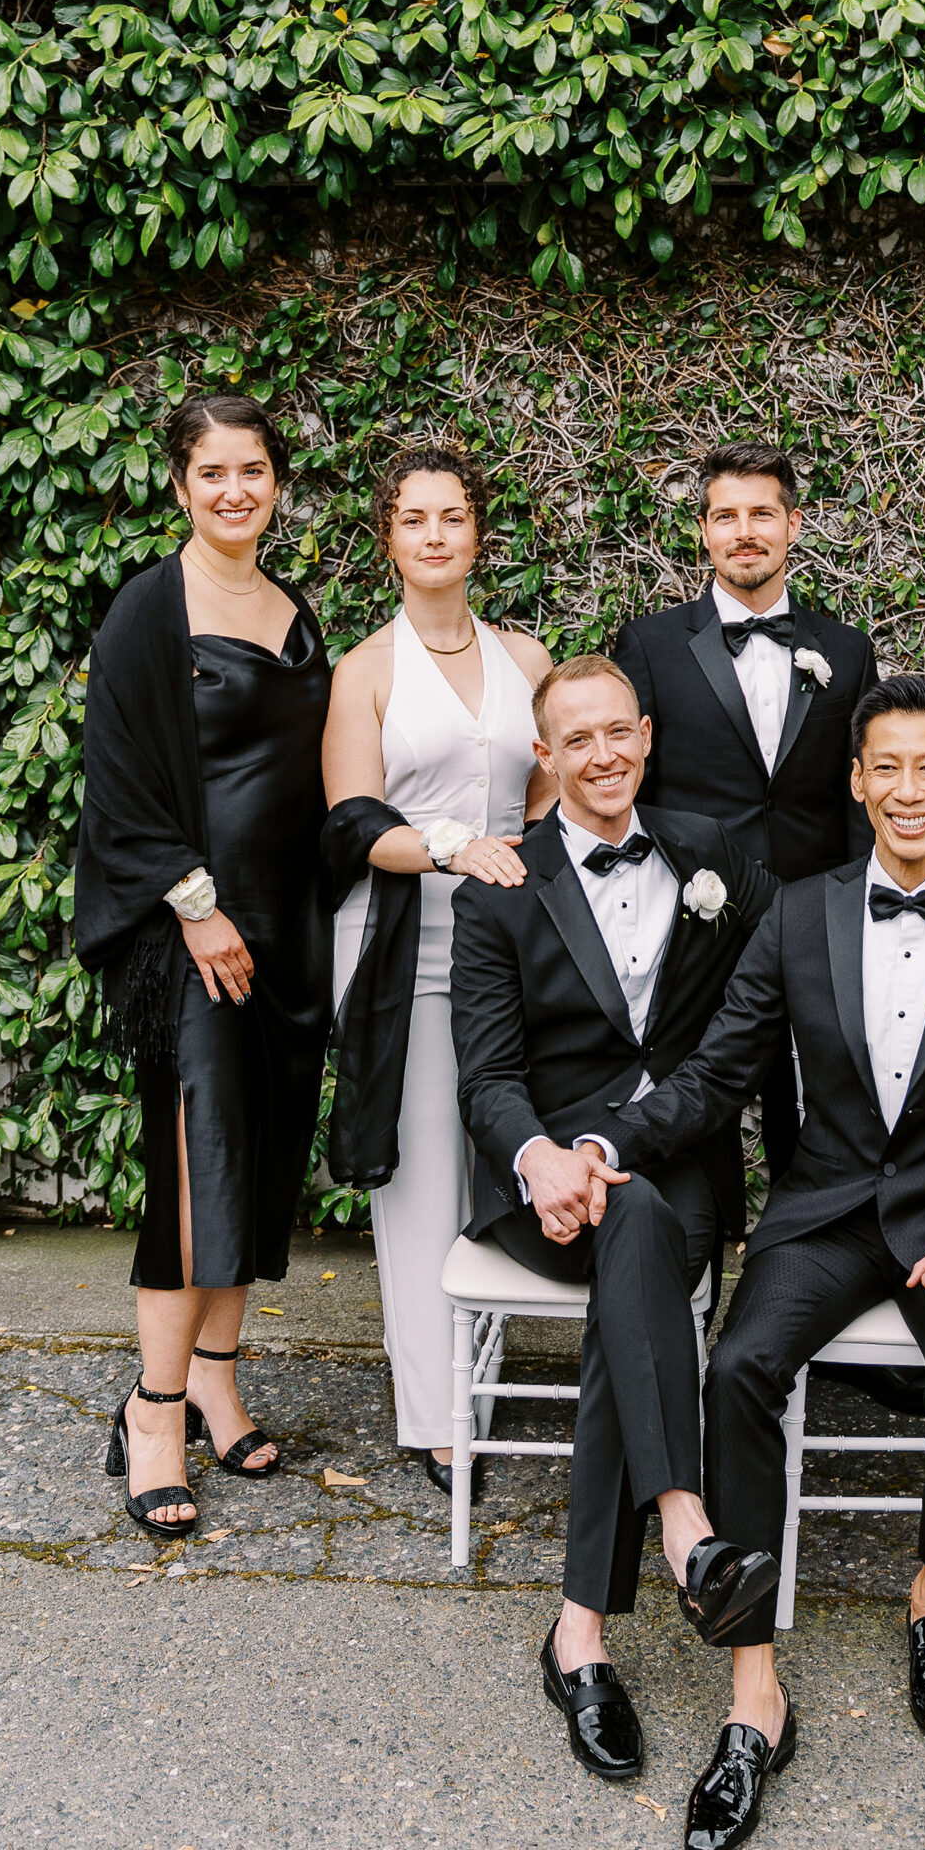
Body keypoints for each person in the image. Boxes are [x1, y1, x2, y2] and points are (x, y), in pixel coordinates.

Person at [600, 676, 925, 1850]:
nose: (909, 790)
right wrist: (609, 1140)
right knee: (736, 1366)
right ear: (856, 781)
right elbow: (719, 1069)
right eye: (886, 767)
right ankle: (754, 1689)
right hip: (826, 1210)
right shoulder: (799, 912)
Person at [451, 655, 781, 1782]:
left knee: (635, 1236)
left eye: (616, 733)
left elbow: (734, 1051)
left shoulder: (720, 859)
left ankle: (579, 1633)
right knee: (632, 1252)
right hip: (538, 1172)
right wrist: (546, 1154)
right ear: (546, 756)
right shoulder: (497, 888)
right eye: (574, 739)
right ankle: (684, 1526)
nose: (601, 755)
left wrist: (615, 1149)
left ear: (646, 734)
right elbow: (487, 1076)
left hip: (671, 1153)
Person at [76, 393, 332, 1537]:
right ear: (180, 484)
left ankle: (221, 1379)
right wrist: (194, 906)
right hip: (196, 935)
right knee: (192, 1176)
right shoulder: (148, 609)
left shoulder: (296, 610)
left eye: (256, 470)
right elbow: (121, 779)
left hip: (289, 930)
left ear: (278, 482)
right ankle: (155, 1409)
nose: (237, 490)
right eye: (214, 472)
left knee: (261, 1165)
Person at [320, 447, 554, 1495]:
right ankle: (437, 1415)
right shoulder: (367, 669)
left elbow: (548, 802)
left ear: (475, 531)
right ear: (390, 538)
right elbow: (353, 823)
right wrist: (455, 845)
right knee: (418, 1181)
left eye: (451, 516)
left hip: (508, 944)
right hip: (403, 940)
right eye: (414, 519)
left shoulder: (528, 657)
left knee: (496, 1160)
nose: (434, 536)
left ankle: (485, 1375)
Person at [613, 441, 879, 1177]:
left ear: (794, 524)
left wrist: (857, 894)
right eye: (725, 516)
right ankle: (701, 1256)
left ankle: (809, 1240)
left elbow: (860, 792)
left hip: (814, 906)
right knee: (700, 1090)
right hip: (697, 910)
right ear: (703, 531)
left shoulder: (847, 651)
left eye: (762, 512)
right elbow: (633, 785)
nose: (744, 531)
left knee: (821, 1085)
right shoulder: (650, 644)